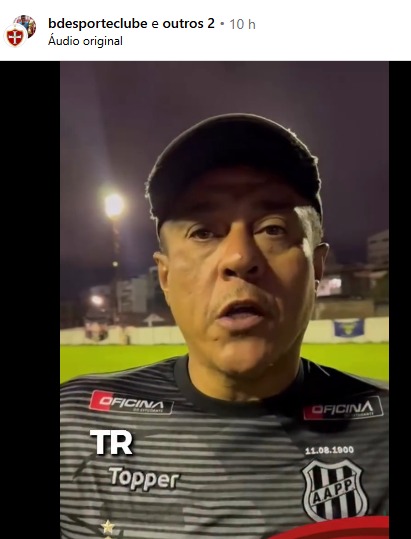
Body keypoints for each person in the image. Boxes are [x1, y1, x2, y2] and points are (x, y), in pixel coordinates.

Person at [60, 113, 389, 538]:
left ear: (317, 267)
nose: (239, 257)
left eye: (272, 229)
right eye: (203, 232)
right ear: (165, 277)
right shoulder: (73, 425)